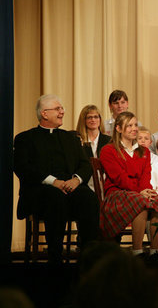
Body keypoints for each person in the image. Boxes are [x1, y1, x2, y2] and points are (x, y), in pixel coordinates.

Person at [13, 94, 99, 263]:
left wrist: (76, 180)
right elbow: (23, 168)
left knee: (89, 198)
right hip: (39, 192)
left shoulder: (71, 139)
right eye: (58, 109)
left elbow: (85, 165)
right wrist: (54, 182)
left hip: (70, 188)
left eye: (62, 109)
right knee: (55, 197)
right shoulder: (25, 138)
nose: (62, 112)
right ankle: (55, 258)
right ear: (44, 113)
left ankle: (89, 256)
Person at [99, 112, 158, 258]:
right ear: (118, 128)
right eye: (129, 125)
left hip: (138, 193)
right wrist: (139, 192)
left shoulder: (145, 152)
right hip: (116, 193)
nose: (134, 128)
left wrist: (145, 191)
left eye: (135, 125)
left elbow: (145, 177)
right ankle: (137, 251)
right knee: (141, 203)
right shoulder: (108, 150)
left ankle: (155, 252)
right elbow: (119, 178)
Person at [75, 104, 111, 191]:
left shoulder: (109, 140)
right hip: (84, 183)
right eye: (89, 117)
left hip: (105, 182)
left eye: (96, 117)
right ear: (83, 120)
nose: (93, 120)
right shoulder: (77, 140)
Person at [137, 127, 158, 199]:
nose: (143, 141)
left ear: (150, 142)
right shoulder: (132, 157)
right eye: (139, 138)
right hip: (138, 187)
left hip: (152, 187)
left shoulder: (156, 159)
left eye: (146, 139)